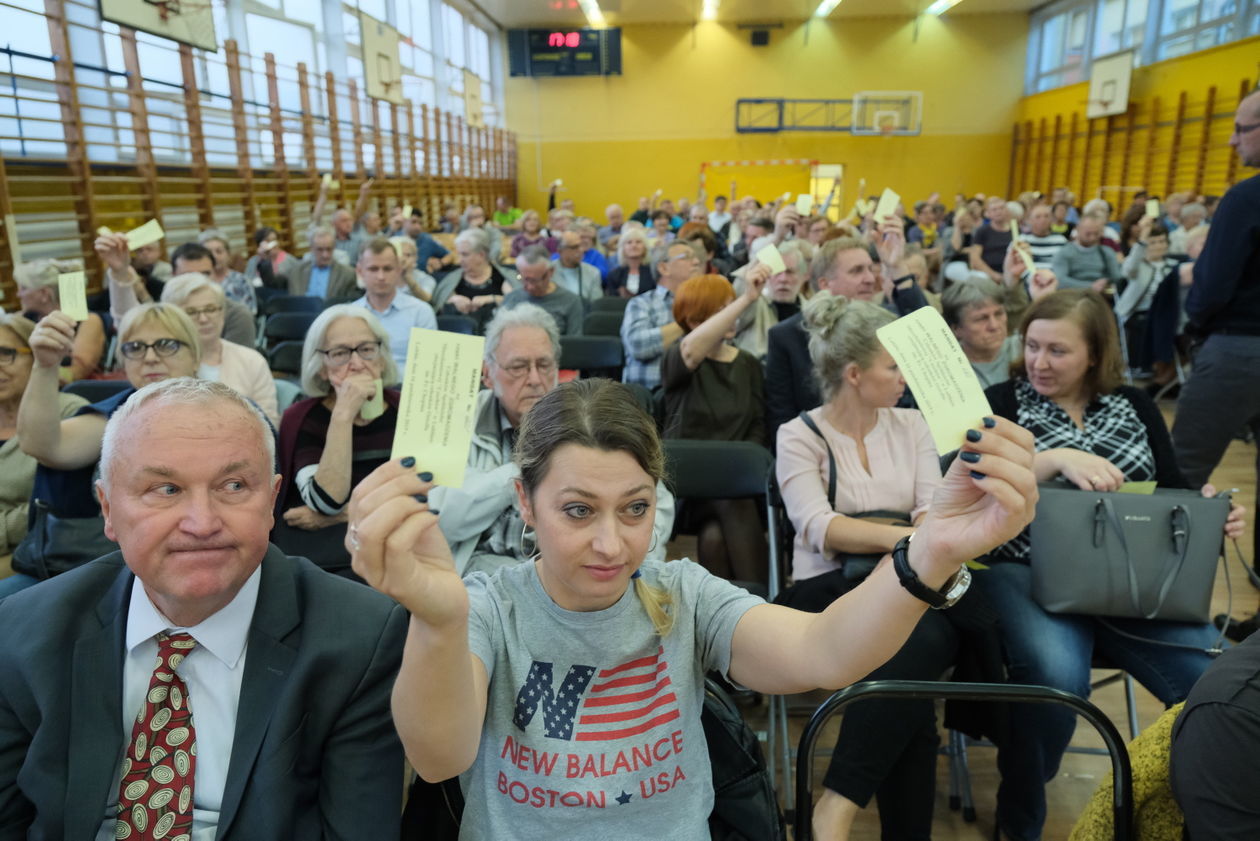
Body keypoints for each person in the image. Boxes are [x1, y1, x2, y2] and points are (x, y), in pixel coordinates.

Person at [345, 374, 1039, 841]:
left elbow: (827, 649)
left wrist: (935, 551)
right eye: (578, 510)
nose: (611, 544)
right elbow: (439, 758)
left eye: (636, 508)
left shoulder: (681, 591)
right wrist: (437, 618)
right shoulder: (491, 605)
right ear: (524, 502)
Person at [0, 378, 407, 839]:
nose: (202, 523)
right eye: (166, 489)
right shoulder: (23, 632)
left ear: (272, 502)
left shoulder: (361, 640)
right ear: (108, 509)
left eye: (233, 485)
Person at [975, 289, 1244, 841]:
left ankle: (1185, 812)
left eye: (1058, 351)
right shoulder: (1002, 400)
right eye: (1031, 346)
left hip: (1134, 580)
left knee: (1218, 680)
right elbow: (972, 486)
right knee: (1057, 681)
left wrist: (1210, 513)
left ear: (1095, 354)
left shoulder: (1137, 404)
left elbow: (1172, 490)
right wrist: (1052, 460)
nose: (1039, 363)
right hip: (1026, 572)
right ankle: (1020, 815)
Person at [777, 291, 958, 841]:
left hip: (909, 583)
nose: (904, 377)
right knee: (916, 660)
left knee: (911, 649)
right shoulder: (798, 434)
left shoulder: (913, 426)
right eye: (893, 365)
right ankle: (848, 811)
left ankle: (833, 807)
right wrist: (910, 544)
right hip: (826, 589)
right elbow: (819, 527)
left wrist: (904, 550)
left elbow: (937, 512)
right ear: (854, 373)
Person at [429, 305, 675, 576]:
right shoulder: (455, 418)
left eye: (544, 365)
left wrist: (633, 567)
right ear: (488, 373)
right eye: (518, 367)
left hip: (584, 571)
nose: (535, 379)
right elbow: (440, 517)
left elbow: (657, 501)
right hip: (484, 570)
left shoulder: (587, 414)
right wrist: (528, 468)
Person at [2, 303, 201, 597]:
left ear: (195, 355)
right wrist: (45, 367)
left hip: (194, 555)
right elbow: (43, 445)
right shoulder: (116, 414)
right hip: (102, 562)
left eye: (166, 345)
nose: (149, 357)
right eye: (134, 347)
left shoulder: (229, 416)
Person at [1171, 88, 1260, 634]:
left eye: (1242, 128)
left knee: (1178, 475)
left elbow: (1211, 286)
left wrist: (1194, 329)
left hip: (1240, 350)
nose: (1230, 139)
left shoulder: (1246, 198)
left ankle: (1160, 602)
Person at [766, 223, 927, 445]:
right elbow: (781, 415)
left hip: (891, 443)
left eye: (871, 269)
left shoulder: (887, 322)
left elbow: (926, 333)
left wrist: (897, 266)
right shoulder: (787, 335)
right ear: (824, 284)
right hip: (819, 450)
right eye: (857, 271)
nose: (870, 279)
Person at [273, 305, 399, 578]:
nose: (355, 363)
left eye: (366, 349)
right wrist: (343, 414)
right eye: (340, 353)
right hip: (331, 562)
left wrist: (342, 516)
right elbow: (326, 500)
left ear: (382, 357)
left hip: (401, 547)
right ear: (320, 368)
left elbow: (433, 493)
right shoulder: (302, 417)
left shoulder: (409, 408)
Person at [661, 271, 769, 585]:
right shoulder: (677, 360)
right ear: (696, 321)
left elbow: (758, 427)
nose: (735, 315)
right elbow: (691, 351)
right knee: (730, 497)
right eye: (723, 309)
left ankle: (726, 624)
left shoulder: (748, 364)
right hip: (688, 489)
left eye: (733, 305)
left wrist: (743, 469)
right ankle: (771, 607)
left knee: (714, 539)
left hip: (738, 492)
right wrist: (748, 298)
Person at [0, 314, 88, 562]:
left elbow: (59, 502)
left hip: (35, 552)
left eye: (5, 353)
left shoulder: (69, 411)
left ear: (37, 355)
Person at [1169, 630, 1260, 839]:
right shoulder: (1237, 714)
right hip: (1080, 614)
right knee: (1075, 684)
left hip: (1168, 612)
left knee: (1201, 675)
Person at [159, 274, 278, 424]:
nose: (203, 319)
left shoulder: (252, 361)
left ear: (222, 313)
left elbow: (269, 425)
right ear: (171, 318)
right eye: (191, 312)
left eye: (210, 309)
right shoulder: (160, 363)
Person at [620, 240, 702, 390]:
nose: (696, 262)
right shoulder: (641, 303)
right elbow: (638, 345)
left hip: (696, 394)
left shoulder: (706, 302)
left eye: (695, 257)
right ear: (664, 268)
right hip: (650, 397)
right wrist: (688, 321)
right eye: (686, 257)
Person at [13, 259, 107, 383]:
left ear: (44, 294)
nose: (18, 294)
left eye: (24, 288)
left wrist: (36, 373)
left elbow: (78, 372)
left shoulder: (89, 322)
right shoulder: (24, 319)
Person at [350, 238, 438, 369]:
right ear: (360, 271)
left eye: (387, 269)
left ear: (398, 270)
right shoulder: (350, 315)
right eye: (373, 269)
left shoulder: (421, 312)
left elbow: (428, 367)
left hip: (405, 387)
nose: (381, 276)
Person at [732, 239, 815, 361]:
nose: (783, 279)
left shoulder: (811, 312)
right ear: (765, 275)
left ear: (804, 276)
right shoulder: (752, 306)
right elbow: (741, 285)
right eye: (776, 272)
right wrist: (777, 237)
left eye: (790, 272)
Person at [431, 228, 516, 333]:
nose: (460, 259)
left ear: (481, 255)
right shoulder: (453, 279)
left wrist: (492, 299)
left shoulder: (503, 277)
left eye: (465, 254)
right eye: (459, 254)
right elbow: (438, 305)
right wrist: (453, 299)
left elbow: (517, 303)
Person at [942, 278, 1022, 389]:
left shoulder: (1025, 350)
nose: (994, 326)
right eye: (981, 319)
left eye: (999, 314)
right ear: (956, 329)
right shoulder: (947, 371)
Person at [502, 246, 584, 336]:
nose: (529, 286)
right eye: (524, 279)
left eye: (534, 280)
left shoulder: (571, 301)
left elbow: (575, 344)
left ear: (551, 272)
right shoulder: (512, 298)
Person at [1050, 213, 1125, 291]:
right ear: (1078, 229)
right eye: (1088, 234)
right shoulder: (1064, 253)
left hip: (1100, 296)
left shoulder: (1107, 252)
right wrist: (1091, 286)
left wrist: (1106, 281)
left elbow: (1117, 277)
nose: (1092, 238)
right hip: (1072, 296)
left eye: (1096, 234)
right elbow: (1060, 281)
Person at [289, 225, 358, 302]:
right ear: (311, 248)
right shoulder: (297, 272)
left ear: (334, 247)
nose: (325, 255)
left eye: (329, 249)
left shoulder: (347, 274)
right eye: (320, 249)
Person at [199, 229, 257, 314]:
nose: (214, 256)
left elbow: (250, 312)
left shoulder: (241, 281)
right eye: (209, 253)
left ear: (228, 254)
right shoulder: (199, 282)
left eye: (219, 251)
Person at [553, 231, 604, 307]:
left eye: (581, 245)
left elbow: (597, 304)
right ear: (560, 251)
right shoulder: (548, 272)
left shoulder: (593, 272)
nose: (581, 250)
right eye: (574, 247)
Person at [605, 227, 655, 298]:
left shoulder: (654, 273)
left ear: (645, 248)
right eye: (629, 242)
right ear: (623, 249)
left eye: (638, 242)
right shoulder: (614, 275)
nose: (634, 245)